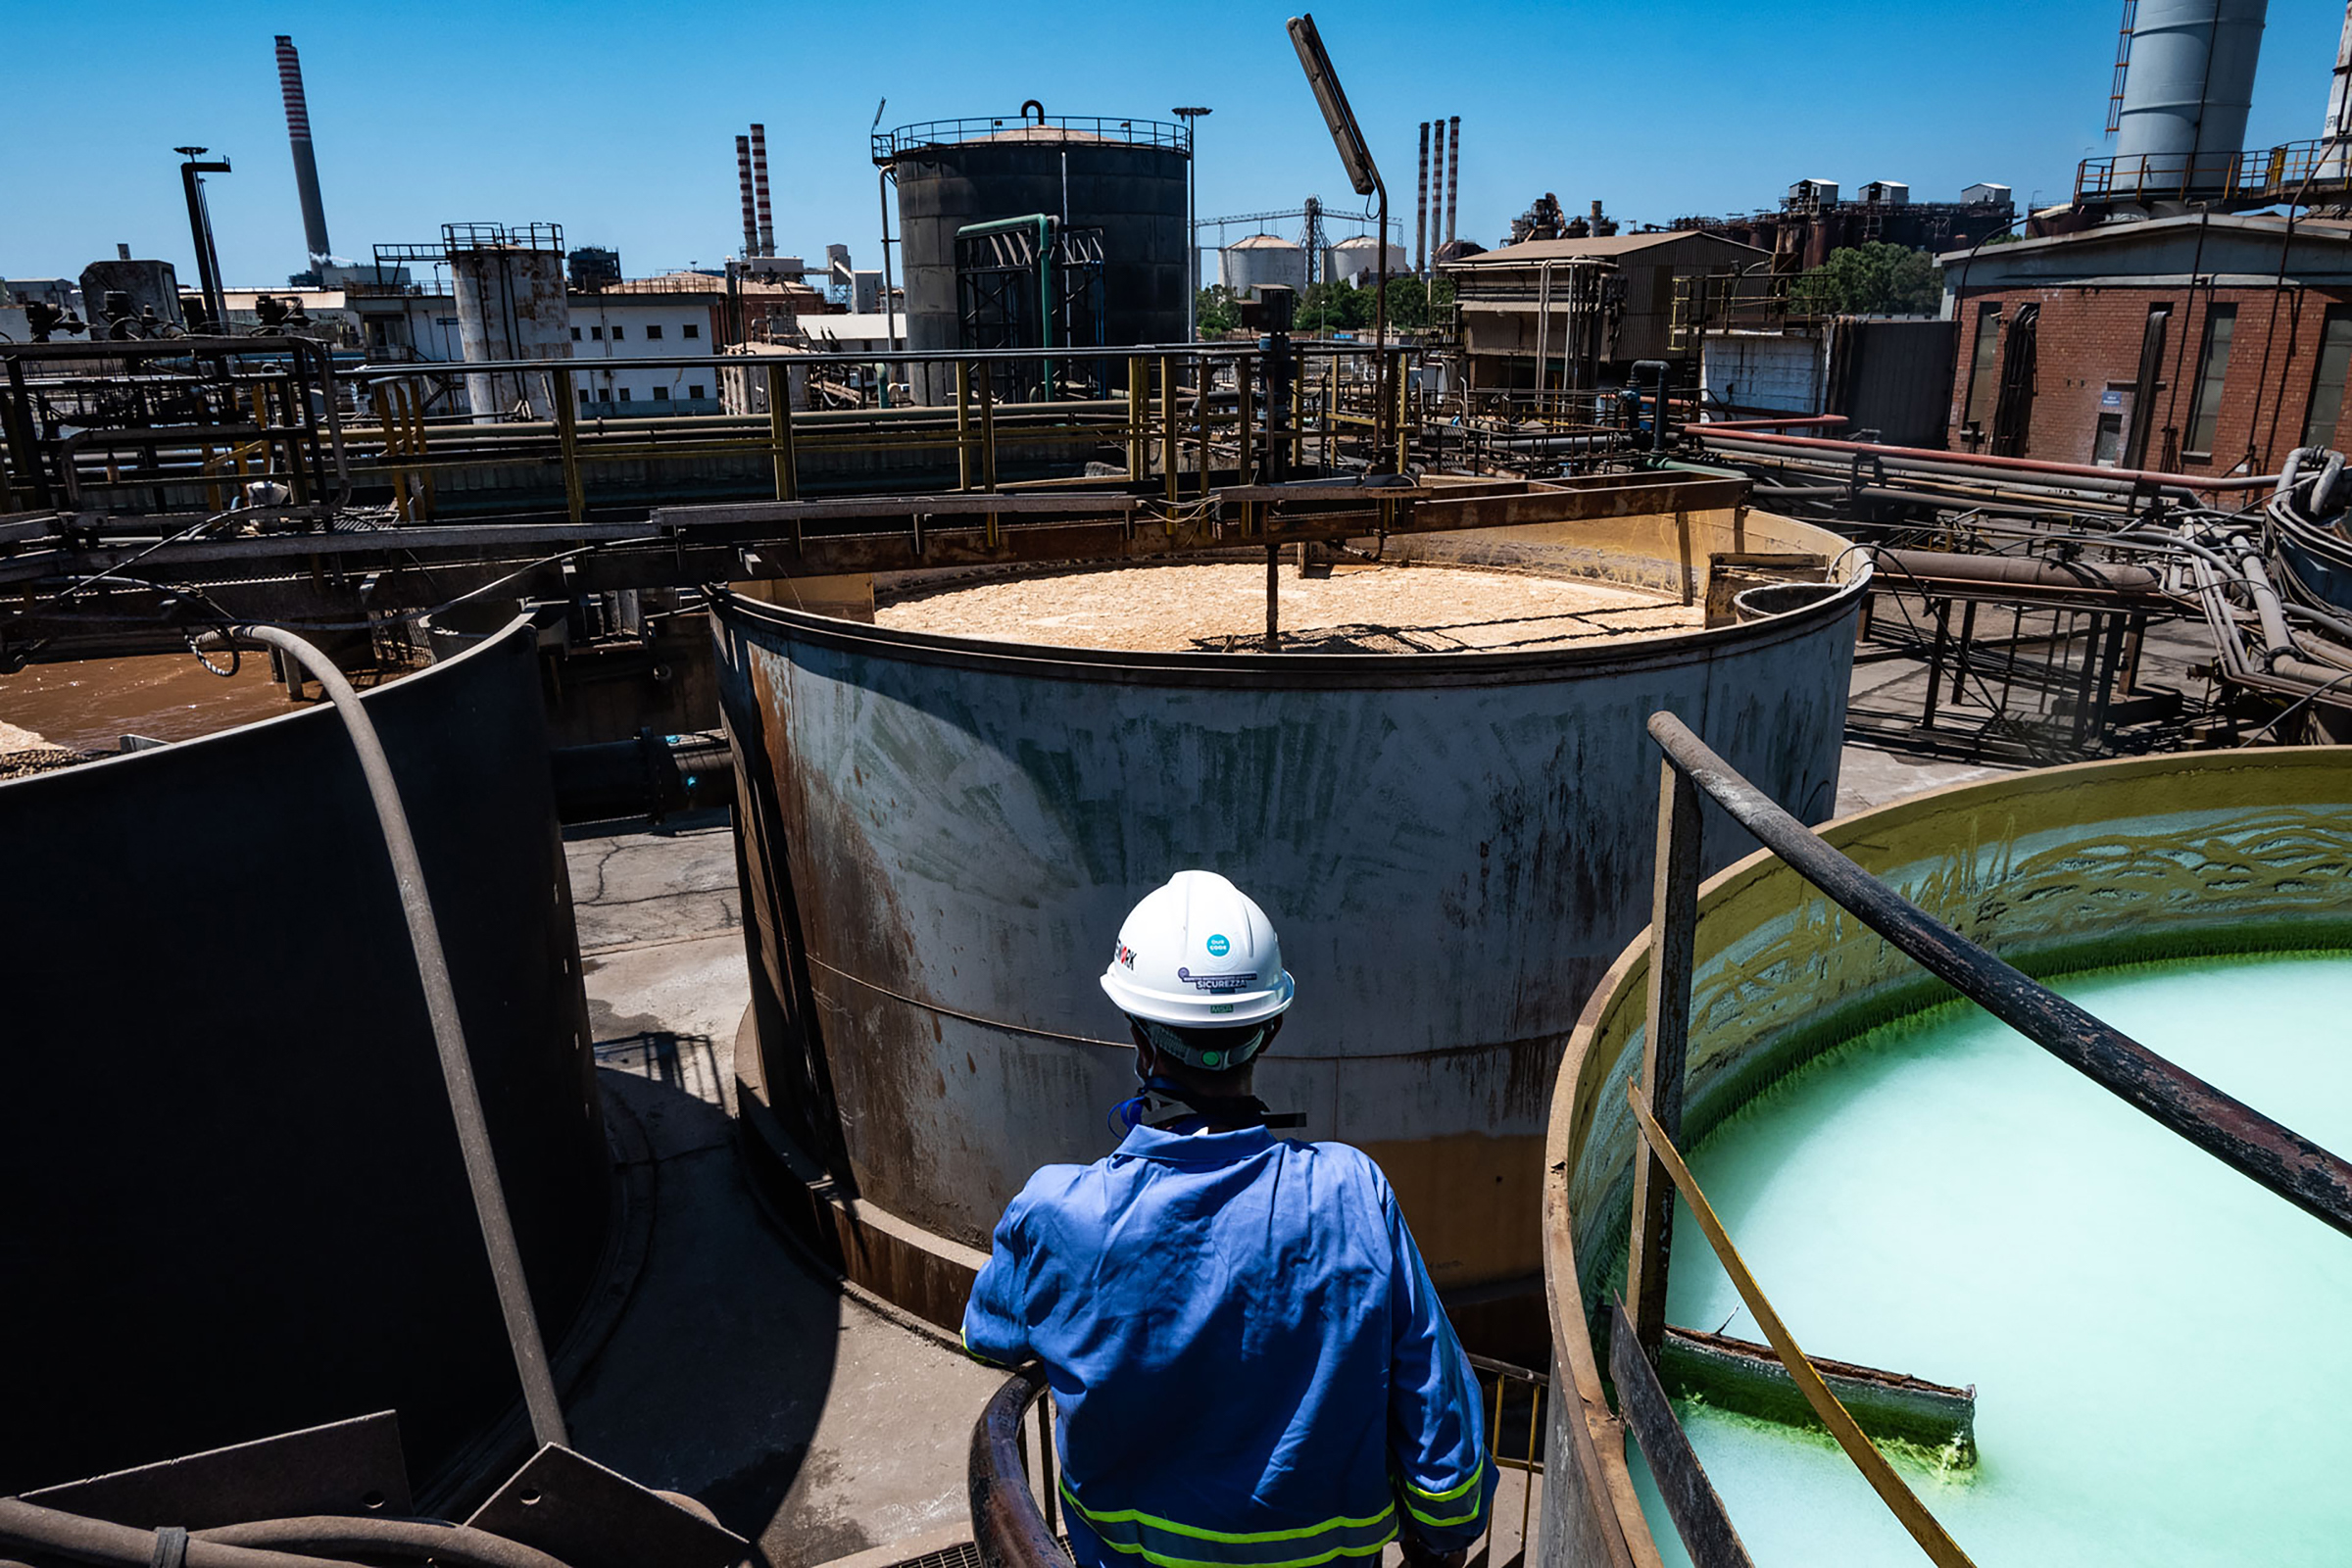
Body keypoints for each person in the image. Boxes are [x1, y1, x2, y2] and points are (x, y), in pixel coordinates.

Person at [962, 869, 1494, 1568]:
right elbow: (1438, 1424)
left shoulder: (1061, 1212)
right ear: (1270, 1031)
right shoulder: (1353, 1194)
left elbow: (987, 1335)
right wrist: (1443, 1532)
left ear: (1140, 1041)